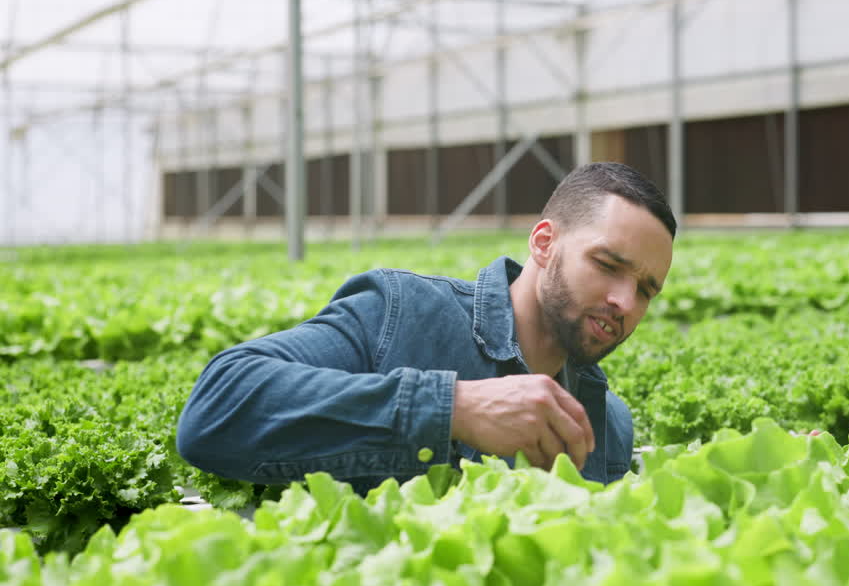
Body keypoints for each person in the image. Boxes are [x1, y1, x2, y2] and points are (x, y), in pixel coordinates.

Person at [177, 162, 676, 492]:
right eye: (608, 265)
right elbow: (218, 407)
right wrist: (451, 409)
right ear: (544, 244)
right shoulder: (402, 312)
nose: (625, 302)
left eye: (646, 289)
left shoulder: (607, 425)